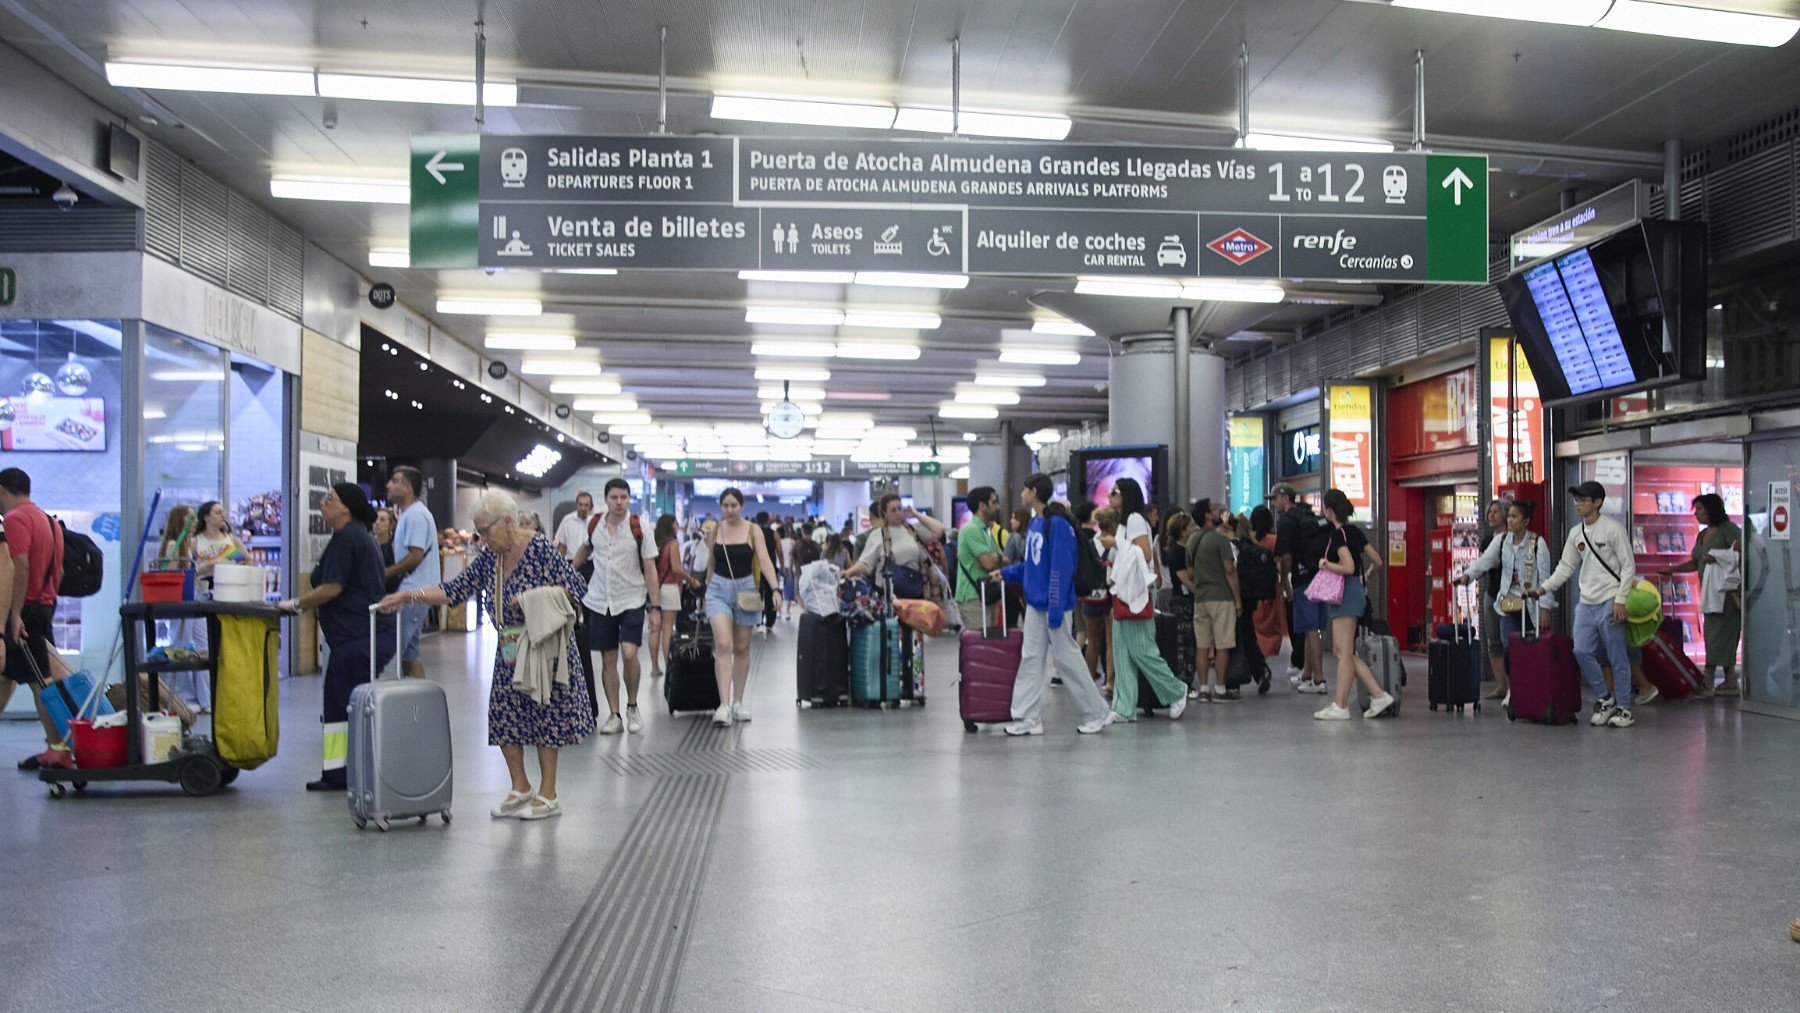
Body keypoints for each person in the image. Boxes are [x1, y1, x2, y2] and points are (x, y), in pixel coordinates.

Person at [378, 489, 594, 820]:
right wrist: (408, 596)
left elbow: (577, 587)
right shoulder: (490, 558)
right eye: (477, 532)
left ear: (507, 522)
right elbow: (454, 589)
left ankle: (549, 793)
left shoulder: (539, 549)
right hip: (509, 647)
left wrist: (533, 598)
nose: (481, 538)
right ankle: (520, 786)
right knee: (504, 715)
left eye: (485, 530)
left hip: (542, 645)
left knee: (546, 716)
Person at [277, 483, 395, 791]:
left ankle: (356, 773)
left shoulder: (348, 538)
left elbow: (332, 587)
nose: (323, 501)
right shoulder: (354, 536)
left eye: (330, 498)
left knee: (348, 707)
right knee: (336, 706)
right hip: (356, 638)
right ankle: (337, 774)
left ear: (345, 508)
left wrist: (295, 604)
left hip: (359, 639)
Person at [1000, 473, 1112, 736]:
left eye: (1024, 489)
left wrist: (1054, 605)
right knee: (1031, 659)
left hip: (1054, 606)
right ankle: (1027, 717)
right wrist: (1005, 573)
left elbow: (1061, 569)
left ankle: (1096, 712)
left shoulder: (1057, 525)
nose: (1021, 494)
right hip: (1036, 605)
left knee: (1067, 659)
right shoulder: (1038, 523)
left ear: (1034, 491)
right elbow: (1033, 566)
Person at [1527, 481, 1639, 728]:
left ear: (1598, 502)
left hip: (1610, 599)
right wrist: (1544, 588)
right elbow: (1566, 566)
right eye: (1576, 500)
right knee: (1580, 651)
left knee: (1616, 655)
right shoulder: (1576, 533)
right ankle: (1604, 698)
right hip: (1586, 603)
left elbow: (1628, 565)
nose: (1578, 504)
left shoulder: (1613, 529)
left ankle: (1624, 708)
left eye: (1583, 500)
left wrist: (1620, 600)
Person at [0, 468, 74, 772]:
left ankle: (57, 749)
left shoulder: (16, 519)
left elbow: (19, 566)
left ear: (3, 490)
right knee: (8, 676)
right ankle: (55, 747)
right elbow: (59, 570)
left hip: (24, 612)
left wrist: (15, 614)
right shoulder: (49, 521)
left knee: (40, 683)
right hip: (43, 606)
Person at [572, 478, 657, 735]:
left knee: (629, 653)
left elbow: (651, 569)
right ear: (606, 499)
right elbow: (583, 551)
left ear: (629, 499)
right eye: (614, 498)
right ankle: (614, 714)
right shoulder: (594, 524)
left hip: (631, 598)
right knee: (608, 659)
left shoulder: (640, 527)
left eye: (624, 497)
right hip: (599, 600)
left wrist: (655, 607)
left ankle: (632, 706)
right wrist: (566, 573)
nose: (619, 502)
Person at [1312, 489, 1399, 721]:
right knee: (1344, 652)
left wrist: (1325, 565)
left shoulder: (1338, 535)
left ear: (1329, 511)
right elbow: (1378, 560)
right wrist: (1365, 577)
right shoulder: (1356, 532)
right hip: (1355, 591)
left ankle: (1341, 706)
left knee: (1343, 652)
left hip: (1346, 593)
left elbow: (1348, 567)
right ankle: (1378, 695)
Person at [1107, 478, 1190, 723]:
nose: (1110, 495)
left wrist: (1116, 543)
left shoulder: (1133, 520)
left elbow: (1143, 552)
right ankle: (1123, 705)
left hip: (1135, 593)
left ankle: (1176, 690)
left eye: (1115, 492)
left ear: (1127, 495)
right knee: (1122, 650)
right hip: (1124, 591)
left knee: (1141, 649)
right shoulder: (1125, 522)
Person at [703, 488, 780, 726]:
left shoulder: (752, 529)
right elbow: (712, 563)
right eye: (725, 505)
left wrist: (775, 589)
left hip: (747, 588)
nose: (729, 510)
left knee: (742, 648)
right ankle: (723, 705)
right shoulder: (715, 529)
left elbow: (765, 560)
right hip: (718, 589)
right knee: (723, 645)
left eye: (734, 505)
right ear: (720, 507)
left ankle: (738, 701)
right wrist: (705, 587)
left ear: (742, 506)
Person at [1456, 500, 1547, 700]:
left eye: (1514, 516)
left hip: (1531, 603)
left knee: (1532, 646)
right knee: (1509, 645)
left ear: (1526, 521)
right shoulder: (1501, 540)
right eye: (1510, 516)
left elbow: (1545, 577)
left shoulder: (1538, 543)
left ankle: (1533, 687)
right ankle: (1513, 689)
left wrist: (1545, 607)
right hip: (1507, 602)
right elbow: (1484, 561)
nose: (1510, 520)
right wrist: (1468, 576)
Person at [1659, 492, 1742, 697]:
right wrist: (1674, 570)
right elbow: (1696, 562)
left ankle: (1709, 678)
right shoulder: (1703, 535)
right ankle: (1729, 679)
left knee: (1721, 634)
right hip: (1710, 593)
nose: (1696, 514)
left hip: (1726, 594)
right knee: (1715, 633)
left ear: (1711, 510)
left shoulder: (1729, 530)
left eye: (1700, 509)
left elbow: (1740, 552)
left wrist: (1720, 558)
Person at [383, 466, 439, 680]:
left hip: (413, 593)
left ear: (407, 488)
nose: (389, 485)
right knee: (409, 655)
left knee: (392, 652)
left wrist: (387, 573)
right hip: (417, 591)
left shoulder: (415, 515)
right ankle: (421, 706)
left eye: (395, 481)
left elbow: (416, 555)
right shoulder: (412, 514)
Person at [1272, 484, 1329, 694]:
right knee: (1310, 627)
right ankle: (1306, 672)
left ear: (1285, 497)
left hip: (1303, 578)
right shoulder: (1308, 514)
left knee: (1310, 628)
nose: (1273, 502)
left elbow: (1285, 556)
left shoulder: (1286, 522)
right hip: (1321, 575)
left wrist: (1284, 580)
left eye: (1275, 498)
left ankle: (1319, 679)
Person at [1186, 499, 1242, 702]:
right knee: (1222, 645)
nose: (1219, 511)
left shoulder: (1192, 541)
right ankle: (1219, 688)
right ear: (1208, 515)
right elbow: (1229, 570)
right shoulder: (1220, 540)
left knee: (1202, 645)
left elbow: (1190, 573)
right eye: (1215, 509)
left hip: (1200, 599)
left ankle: (1203, 689)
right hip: (1222, 598)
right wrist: (1237, 600)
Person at [842, 494, 948, 588]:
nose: (898, 513)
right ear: (884, 513)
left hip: (917, 589)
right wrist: (849, 572)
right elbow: (865, 563)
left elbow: (939, 529)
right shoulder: (878, 535)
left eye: (899, 508)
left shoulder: (912, 529)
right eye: (893, 510)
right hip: (891, 594)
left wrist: (916, 514)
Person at [649, 513, 696, 680]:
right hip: (669, 587)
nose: (678, 525)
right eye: (676, 522)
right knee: (668, 629)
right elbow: (676, 568)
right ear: (671, 525)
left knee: (654, 629)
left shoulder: (655, 542)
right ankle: (669, 665)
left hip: (654, 588)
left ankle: (654, 667)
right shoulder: (673, 543)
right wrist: (690, 579)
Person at [1473, 498, 1512, 698]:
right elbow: (1484, 565)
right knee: (1492, 640)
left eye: (1496, 511)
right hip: (1491, 592)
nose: (1491, 515)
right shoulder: (1487, 540)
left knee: (1509, 641)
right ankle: (1501, 685)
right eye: (1490, 512)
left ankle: (1515, 686)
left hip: (1510, 596)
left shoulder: (1513, 538)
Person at [954, 486, 1005, 633]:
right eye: (994, 502)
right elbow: (989, 563)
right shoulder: (971, 529)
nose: (997, 506)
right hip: (972, 596)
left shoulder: (985, 531)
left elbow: (1005, 559)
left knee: (990, 644)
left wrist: (995, 558)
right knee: (980, 645)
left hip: (987, 594)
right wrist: (992, 559)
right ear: (982, 505)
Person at [1249, 505, 1290, 659]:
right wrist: (1286, 585)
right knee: (1273, 623)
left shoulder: (1251, 540)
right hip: (1272, 586)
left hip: (1253, 587)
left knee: (1256, 621)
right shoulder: (1274, 540)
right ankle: (1269, 651)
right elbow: (1281, 565)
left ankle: (1257, 651)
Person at [553, 491, 595, 563]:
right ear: (576, 505)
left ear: (591, 506)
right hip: (571, 561)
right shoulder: (567, 521)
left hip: (590, 563)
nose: (583, 508)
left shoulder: (595, 522)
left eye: (586, 505)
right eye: (580, 505)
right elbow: (562, 546)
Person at [1161, 511, 1194, 597]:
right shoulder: (1176, 552)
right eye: (1192, 526)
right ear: (1182, 531)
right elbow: (1186, 580)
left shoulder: (1191, 548)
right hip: (1182, 600)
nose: (1196, 528)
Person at [373, 507, 400, 595]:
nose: (377, 523)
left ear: (391, 525)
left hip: (389, 592)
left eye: (382, 520)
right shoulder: (367, 544)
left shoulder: (395, 548)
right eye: (375, 519)